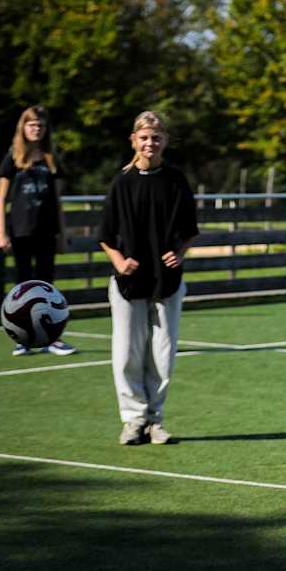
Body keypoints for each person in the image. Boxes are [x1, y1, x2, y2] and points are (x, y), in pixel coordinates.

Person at [99, 111, 199, 446]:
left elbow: (190, 229)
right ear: (133, 141)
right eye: (143, 137)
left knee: (162, 354)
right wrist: (119, 261)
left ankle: (155, 420)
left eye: (156, 137)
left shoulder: (176, 181)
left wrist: (180, 253)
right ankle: (133, 420)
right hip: (128, 282)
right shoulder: (121, 182)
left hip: (166, 281)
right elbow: (106, 235)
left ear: (165, 140)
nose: (150, 143)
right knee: (127, 353)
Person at [0, 105, 76, 356]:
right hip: (20, 231)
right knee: (22, 287)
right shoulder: (13, 157)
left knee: (47, 287)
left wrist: (62, 235)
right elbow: (1, 199)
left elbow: (58, 201)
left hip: (46, 232)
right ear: (24, 127)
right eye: (32, 125)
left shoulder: (51, 159)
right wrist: (1, 233)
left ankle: (52, 338)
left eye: (40, 125)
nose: (36, 129)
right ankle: (23, 339)